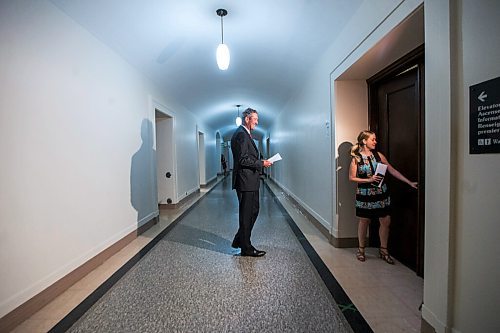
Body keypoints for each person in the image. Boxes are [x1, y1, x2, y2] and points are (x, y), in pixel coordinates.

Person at [349, 130, 417, 264]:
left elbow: (391, 170)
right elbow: (351, 178)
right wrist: (369, 180)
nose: (375, 142)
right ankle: (361, 250)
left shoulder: (378, 156)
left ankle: (384, 250)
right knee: (364, 221)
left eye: (375, 139)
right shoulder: (356, 158)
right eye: (372, 139)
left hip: (381, 194)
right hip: (365, 195)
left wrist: (408, 182)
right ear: (364, 141)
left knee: (385, 221)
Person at [230, 108, 273, 257]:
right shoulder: (241, 135)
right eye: (255, 119)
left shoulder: (245, 134)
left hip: (249, 181)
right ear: (247, 119)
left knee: (253, 211)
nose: (257, 122)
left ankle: (240, 239)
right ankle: (246, 248)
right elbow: (242, 159)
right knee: (247, 214)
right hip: (245, 181)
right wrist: (261, 163)